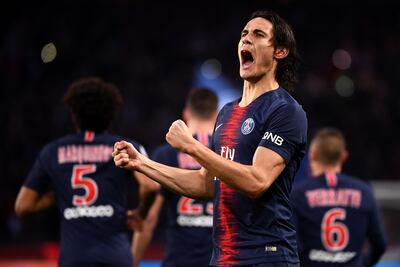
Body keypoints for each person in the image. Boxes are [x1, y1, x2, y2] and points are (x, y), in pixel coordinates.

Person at [113, 10, 307, 267]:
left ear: (279, 52)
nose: (246, 39)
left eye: (258, 34)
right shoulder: (227, 113)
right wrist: (142, 164)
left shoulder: (285, 110)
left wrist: (192, 147)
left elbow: (257, 181)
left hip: (267, 255)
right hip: (223, 258)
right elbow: (205, 185)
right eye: (244, 34)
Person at [15, 77, 159, 267]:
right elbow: (150, 186)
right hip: (115, 255)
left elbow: (22, 206)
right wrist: (140, 212)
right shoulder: (125, 147)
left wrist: (58, 195)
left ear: (74, 114)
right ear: (111, 114)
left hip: (74, 257)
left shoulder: (52, 151)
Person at [132, 88, 218, 267]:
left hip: (179, 258)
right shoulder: (227, 153)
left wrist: (132, 261)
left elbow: (150, 218)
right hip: (221, 259)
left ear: (186, 113)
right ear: (217, 114)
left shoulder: (166, 154)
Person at [290, 128, 387, 267]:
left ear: (312, 155)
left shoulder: (298, 193)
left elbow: (292, 244)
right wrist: (363, 263)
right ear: (344, 156)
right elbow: (380, 244)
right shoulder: (364, 191)